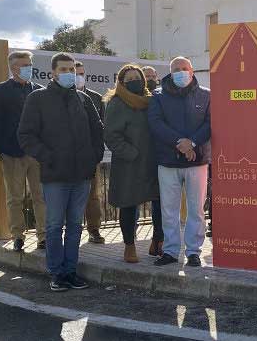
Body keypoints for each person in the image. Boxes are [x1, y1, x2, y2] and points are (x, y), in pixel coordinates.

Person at [18, 52, 105, 291]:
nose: (70, 74)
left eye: (73, 71)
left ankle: (70, 271)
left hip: (81, 175)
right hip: (55, 175)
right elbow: (25, 135)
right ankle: (56, 273)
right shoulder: (38, 99)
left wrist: (93, 158)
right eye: (64, 70)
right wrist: (48, 157)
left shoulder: (84, 99)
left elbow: (98, 131)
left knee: (76, 225)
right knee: (55, 225)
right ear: (54, 72)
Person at [147, 57, 211, 267]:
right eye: (176, 69)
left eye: (184, 68)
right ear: (170, 72)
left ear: (192, 71)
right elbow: (156, 124)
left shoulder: (206, 94)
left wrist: (192, 143)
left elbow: (210, 124)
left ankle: (193, 252)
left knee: (196, 209)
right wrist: (180, 143)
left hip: (197, 161)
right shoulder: (158, 96)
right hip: (167, 162)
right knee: (169, 210)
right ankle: (171, 251)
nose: (181, 72)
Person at [103, 64, 164, 262]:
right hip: (130, 164)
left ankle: (158, 240)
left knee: (159, 203)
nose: (134, 82)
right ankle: (129, 245)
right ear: (121, 83)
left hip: (153, 162)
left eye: (137, 78)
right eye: (129, 79)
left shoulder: (152, 100)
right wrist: (131, 154)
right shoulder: (116, 103)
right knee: (128, 204)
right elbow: (111, 136)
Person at [0, 50, 47, 251]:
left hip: (37, 153)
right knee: (15, 198)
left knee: (41, 197)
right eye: (24, 65)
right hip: (12, 153)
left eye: (29, 64)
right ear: (13, 68)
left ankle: (43, 236)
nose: (28, 68)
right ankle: (18, 236)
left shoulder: (40, 90)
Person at [75, 61, 108, 244]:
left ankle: (94, 230)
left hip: (89, 156)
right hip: (67, 156)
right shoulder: (59, 97)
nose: (78, 77)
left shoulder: (95, 97)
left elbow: (101, 127)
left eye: (81, 73)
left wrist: (97, 152)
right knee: (68, 194)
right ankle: (72, 231)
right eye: (75, 73)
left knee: (93, 195)